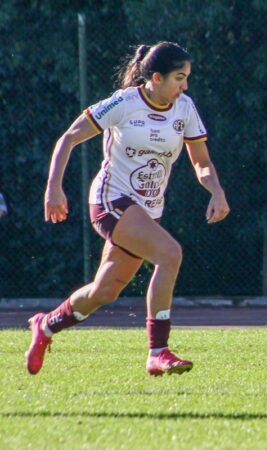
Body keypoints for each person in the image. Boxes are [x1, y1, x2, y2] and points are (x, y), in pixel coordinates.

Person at [26, 42, 230, 376]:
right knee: (170, 253)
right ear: (155, 77)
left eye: (187, 77)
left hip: (147, 210)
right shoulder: (125, 103)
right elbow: (69, 138)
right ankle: (158, 352)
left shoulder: (185, 108)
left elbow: (202, 162)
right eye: (180, 77)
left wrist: (216, 190)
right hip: (111, 201)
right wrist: (53, 187)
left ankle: (46, 326)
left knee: (105, 290)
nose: (185, 85)